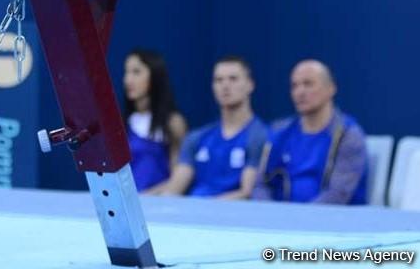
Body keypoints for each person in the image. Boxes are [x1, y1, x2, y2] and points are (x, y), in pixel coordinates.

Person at [253, 60, 367, 204]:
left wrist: (297, 220)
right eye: (294, 86)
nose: (300, 92)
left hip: (331, 222)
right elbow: (260, 185)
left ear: (331, 88)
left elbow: (338, 194)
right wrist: (269, 213)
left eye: (308, 84)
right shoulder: (279, 132)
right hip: (280, 220)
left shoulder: (347, 135)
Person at [151, 57, 268, 199]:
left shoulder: (261, 136)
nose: (225, 86)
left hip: (231, 216)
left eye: (233, 79)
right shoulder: (197, 137)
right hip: (192, 214)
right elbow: (175, 186)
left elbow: (246, 193)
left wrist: (201, 211)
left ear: (250, 85)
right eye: (219, 80)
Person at [123, 49, 188, 192]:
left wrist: (148, 197)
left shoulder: (173, 122)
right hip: (125, 207)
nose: (128, 80)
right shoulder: (121, 124)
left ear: (155, 76)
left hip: (157, 205)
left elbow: (179, 177)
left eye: (136, 72)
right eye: (126, 72)